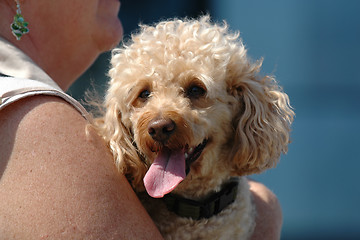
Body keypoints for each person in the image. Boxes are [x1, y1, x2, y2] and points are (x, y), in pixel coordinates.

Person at [0, 0, 282, 239]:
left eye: (195, 91)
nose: (159, 121)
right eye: (143, 95)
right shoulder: (29, 110)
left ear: (240, 102)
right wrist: (267, 219)